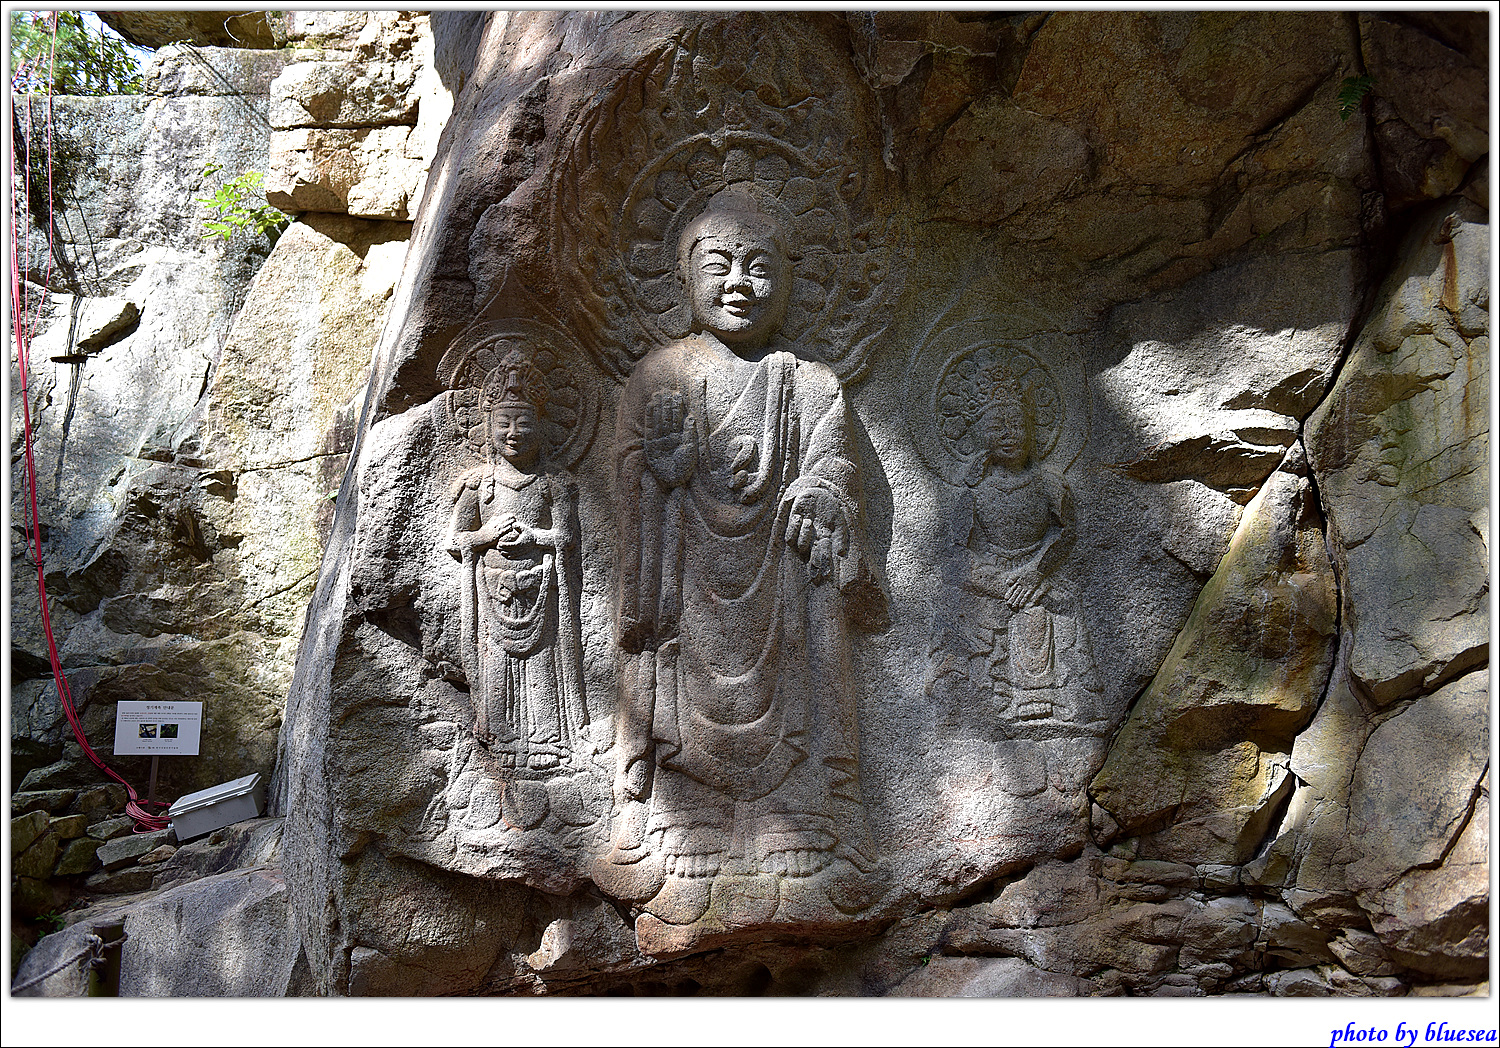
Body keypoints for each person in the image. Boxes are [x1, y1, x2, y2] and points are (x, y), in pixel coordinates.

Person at [606, 186, 884, 911]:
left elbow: (834, 465)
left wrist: (821, 493)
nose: (739, 283)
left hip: (782, 580)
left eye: (760, 267)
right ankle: (679, 803)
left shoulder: (810, 382)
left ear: (789, 280)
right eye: (718, 265)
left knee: (817, 565)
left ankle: (814, 801)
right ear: (682, 277)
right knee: (672, 647)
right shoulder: (657, 378)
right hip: (685, 574)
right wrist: (658, 476)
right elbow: (627, 480)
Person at [446, 353, 586, 771]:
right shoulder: (478, 484)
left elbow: (565, 537)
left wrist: (534, 536)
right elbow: (455, 539)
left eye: (524, 423)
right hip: (493, 590)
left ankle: (547, 738)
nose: (513, 434)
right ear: (487, 427)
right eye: (503, 423)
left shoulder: (552, 484)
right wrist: (486, 536)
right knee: (495, 665)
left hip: (540, 587)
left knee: (542, 662)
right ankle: (499, 736)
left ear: (542, 426)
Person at [947, 376, 1100, 726]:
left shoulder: (1048, 484)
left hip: (1040, 573)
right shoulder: (974, 493)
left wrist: (1036, 572)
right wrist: (1000, 583)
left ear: (1032, 430)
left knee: (1044, 614)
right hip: (990, 580)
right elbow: (957, 555)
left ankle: (1054, 701)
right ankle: (980, 708)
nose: (1008, 434)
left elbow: (1065, 532)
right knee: (962, 619)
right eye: (996, 427)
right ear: (980, 435)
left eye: (1017, 425)